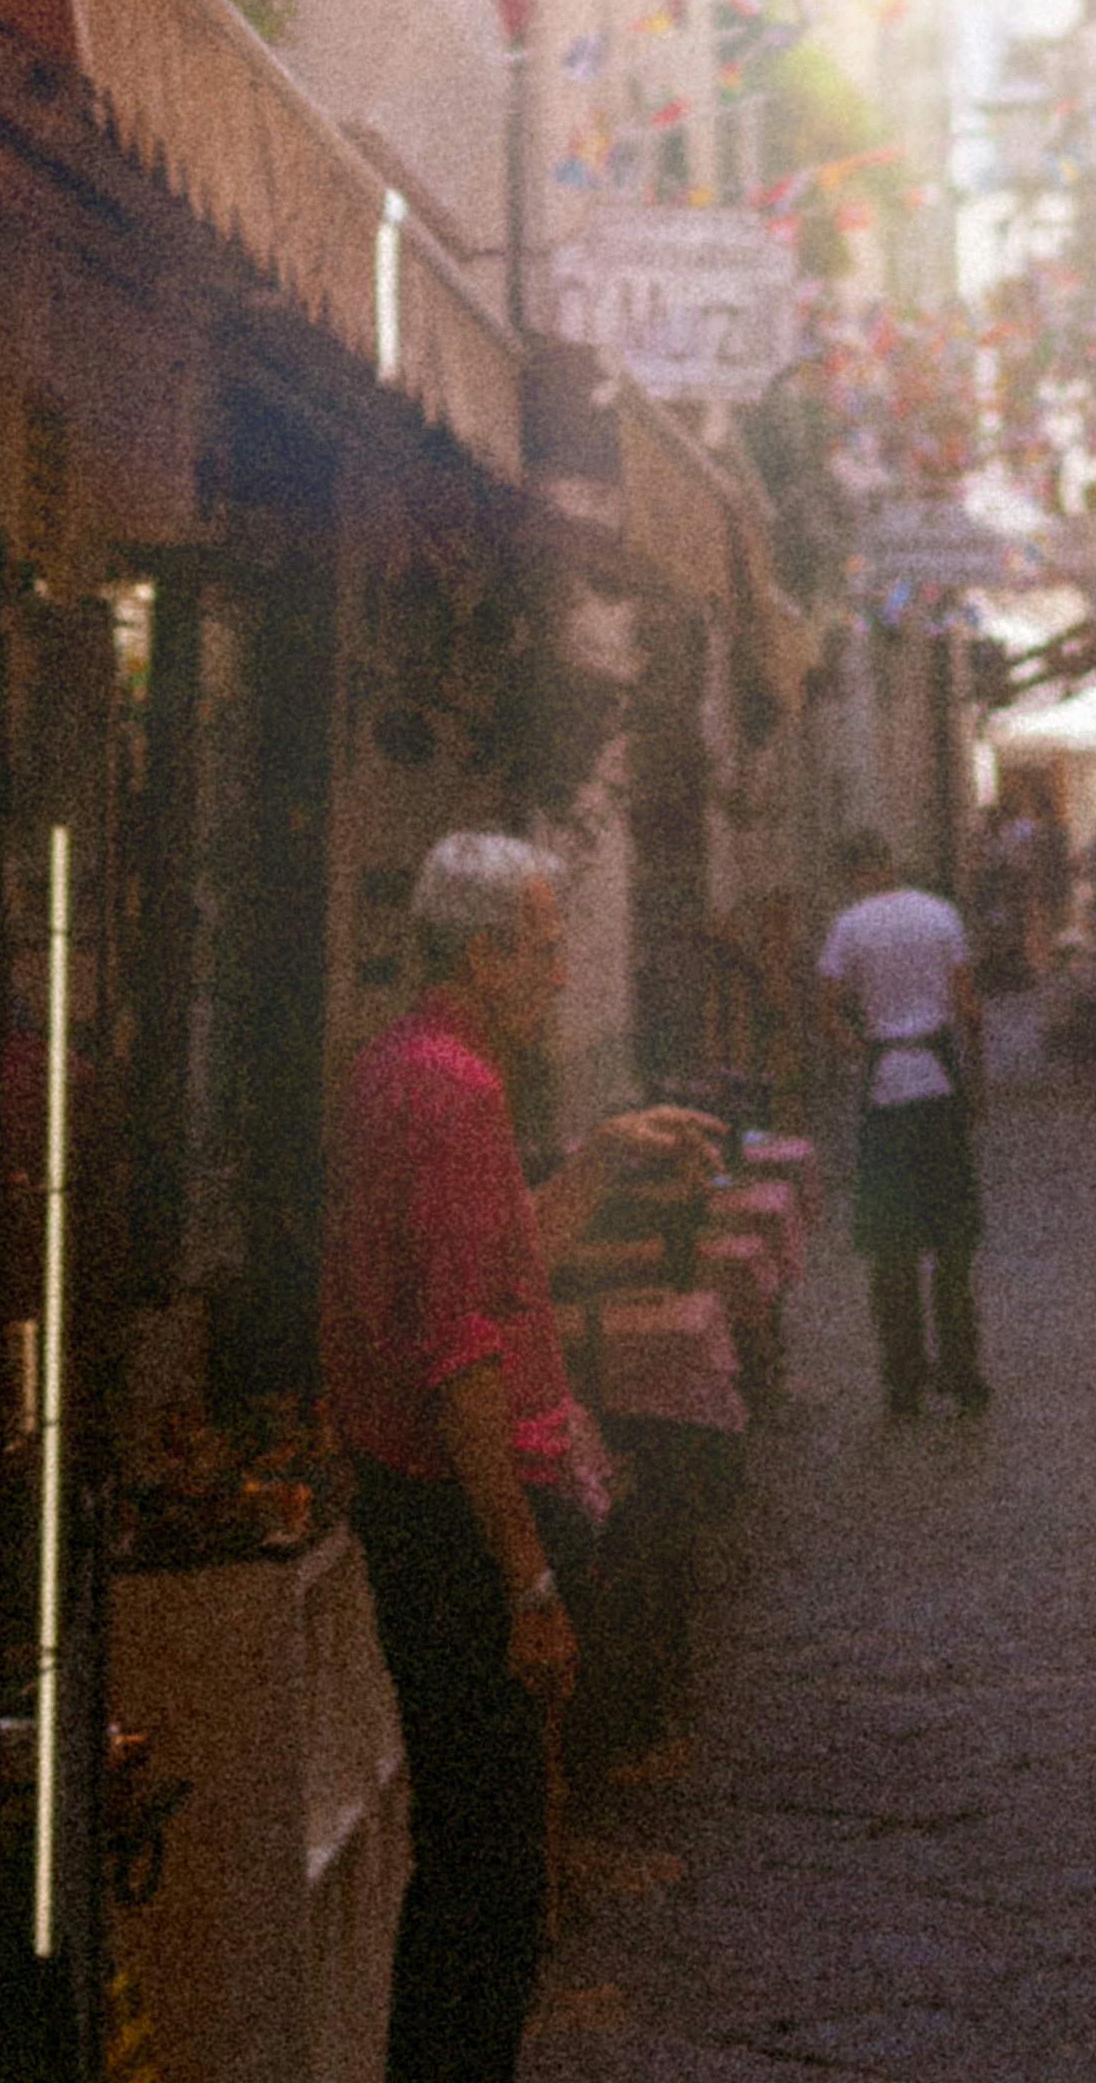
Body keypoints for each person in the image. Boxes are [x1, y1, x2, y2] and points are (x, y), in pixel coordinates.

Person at [328, 834, 722, 2083]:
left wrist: (604, 1149)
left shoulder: (406, 1068)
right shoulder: (453, 1090)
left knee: (472, 1856)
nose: (561, 970)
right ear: (489, 950)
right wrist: (529, 1579)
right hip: (458, 1521)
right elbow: (461, 1352)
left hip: (417, 1507)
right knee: (490, 1874)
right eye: (547, 945)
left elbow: (501, 1273)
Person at [814, 826, 990, 1418]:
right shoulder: (940, 915)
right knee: (952, 1241)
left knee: (891, 1245)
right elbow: (969, 1010)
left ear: (852, 871)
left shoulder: (849, 926)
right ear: (890, 862)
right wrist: (977, 1084)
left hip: (886, 1080)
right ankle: (964, 1373)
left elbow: (827, 1010)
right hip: (939, 1077)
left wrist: (859, 1051)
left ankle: (904, 1382)